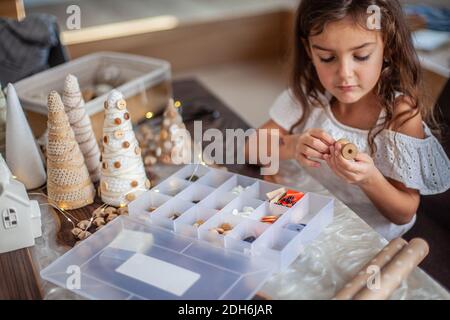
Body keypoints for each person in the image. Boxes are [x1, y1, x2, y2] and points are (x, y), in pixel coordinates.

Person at [245, 0, 450, 240]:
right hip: (309, 211)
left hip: (362, 235)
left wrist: (369, 178)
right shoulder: (310, 95)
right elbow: (251, 149)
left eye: (361, 56)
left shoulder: (400, 114)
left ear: (389, 47)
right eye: (327, 58)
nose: (344, 73)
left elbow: (404, 213)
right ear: (310, 50)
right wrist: (294, 145)